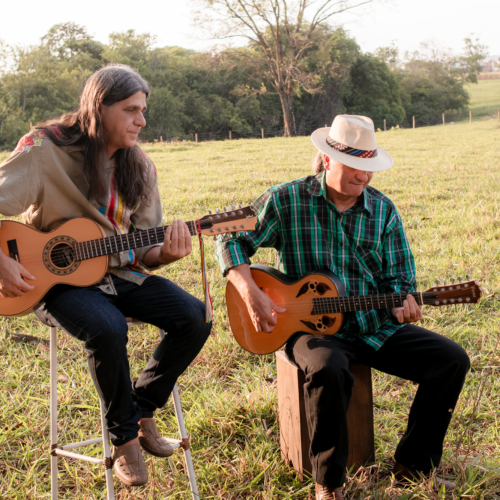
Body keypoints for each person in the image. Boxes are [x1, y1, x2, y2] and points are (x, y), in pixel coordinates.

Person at [215, 115, 470, 499]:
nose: (364, 177)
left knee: (451, 360)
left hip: (372, 325)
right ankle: (329, 482)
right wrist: (250, 289)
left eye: (370, 168)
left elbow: (400, 280)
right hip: (307, 328)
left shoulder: (383, 211)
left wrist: (405, 302)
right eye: (356, 166)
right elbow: (231, 236)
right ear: (328, 158)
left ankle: (413, 463)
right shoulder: (286, 199)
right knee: (328, 367)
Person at [0, 64, 211, 487]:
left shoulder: (141, 168)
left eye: (144, 110)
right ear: (100, 107)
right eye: (131, 109)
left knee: (195, 316)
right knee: (107, 326)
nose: (142, 120)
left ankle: (143, 407)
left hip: (120, 275)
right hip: (50, 282)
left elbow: (146, 251)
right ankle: (124, 440)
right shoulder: (44, 150)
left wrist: (168, 254)